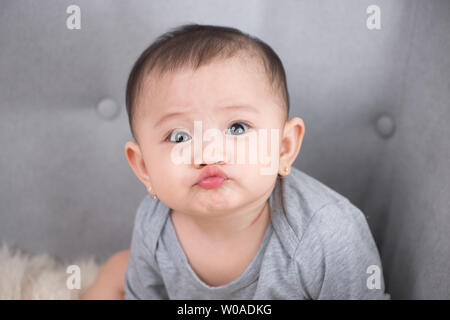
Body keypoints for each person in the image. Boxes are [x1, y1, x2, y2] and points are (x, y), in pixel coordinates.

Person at [82, 24, 390, 300]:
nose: (209, 154)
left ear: (284, 148)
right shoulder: (154, 224)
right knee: (117, 272)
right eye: (179, 136)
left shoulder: (327, 234)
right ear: (144, 167)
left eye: (237, 128)